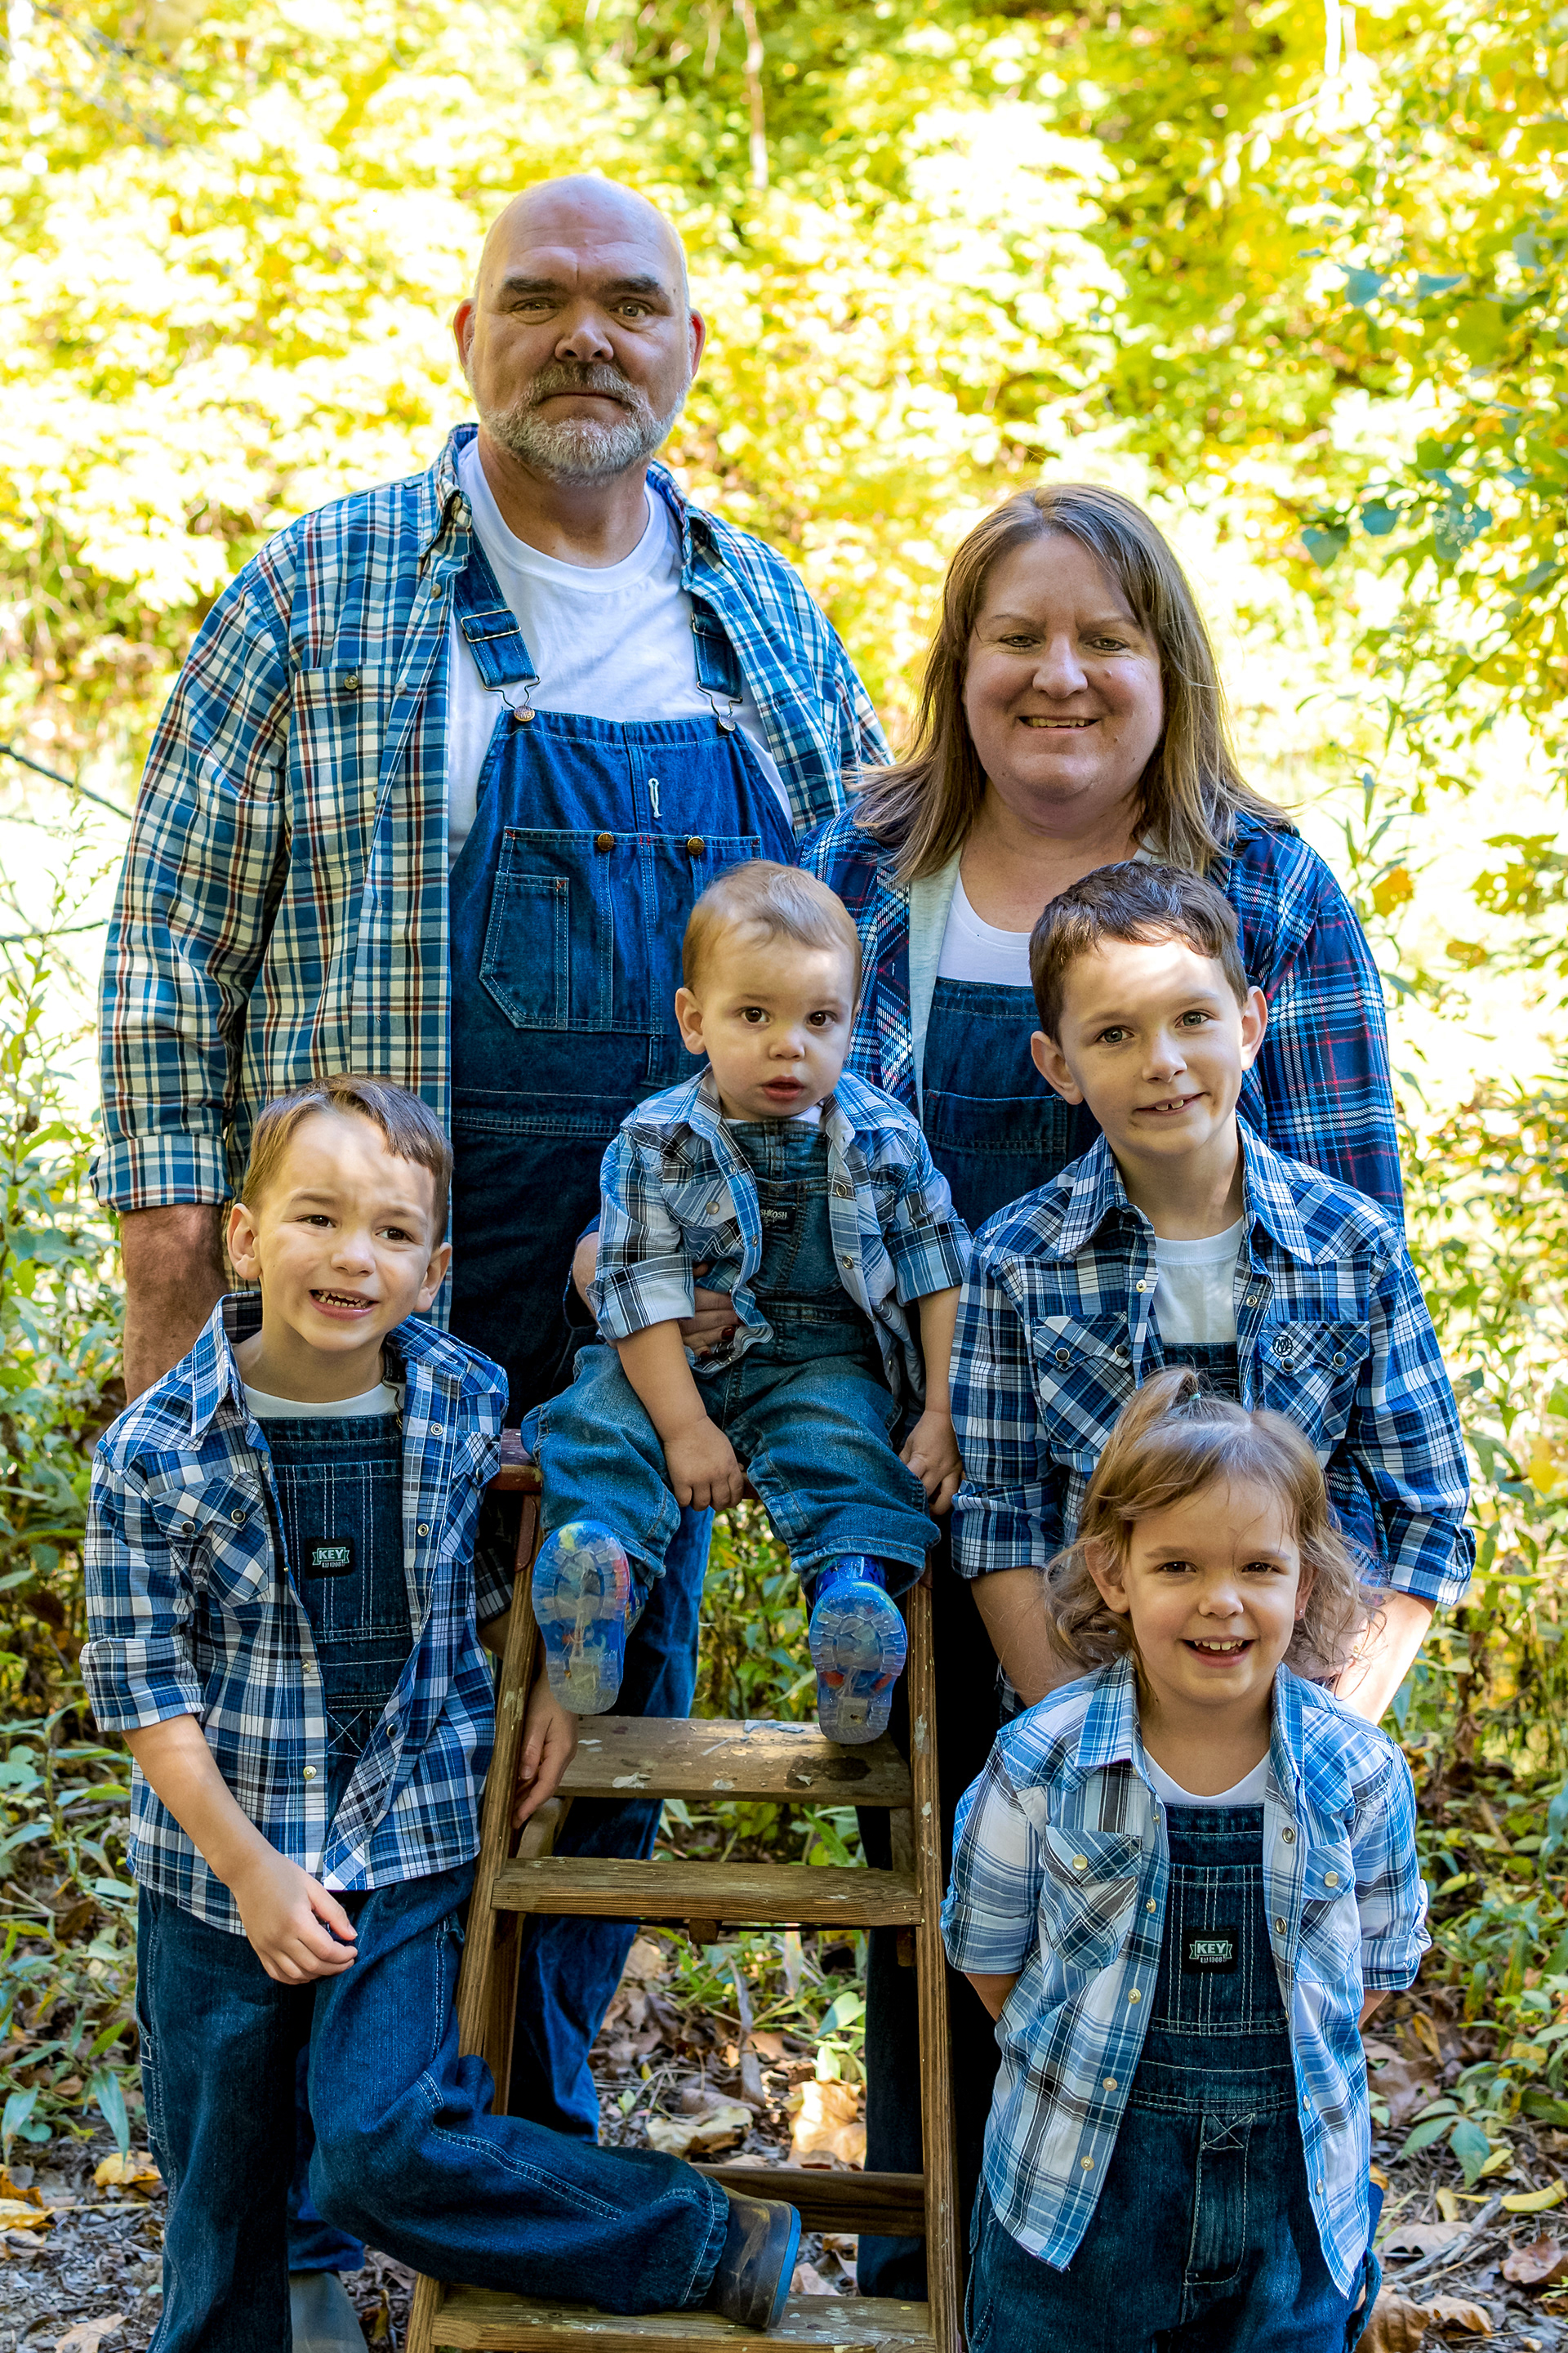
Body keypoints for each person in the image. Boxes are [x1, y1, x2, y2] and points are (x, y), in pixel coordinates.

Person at [95, 174, 884, 2329]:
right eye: (538, 299)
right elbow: (168, 958)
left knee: (595, 1756)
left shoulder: (766, 619)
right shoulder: (323, 590)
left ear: (690, 344)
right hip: (363, 1316)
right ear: (467, 336)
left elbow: (856, 971)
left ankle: (502, 2169)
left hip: (658, 1336)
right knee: (313, 1742)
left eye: (631, 303)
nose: (585, 337)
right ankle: (302, 2229)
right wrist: (178, 1324)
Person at [797, 480, 1415, 2297]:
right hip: (960, 1482)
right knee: (966, 1896)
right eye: (1017, 637)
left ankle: (1219, 2283)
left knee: (1223, 1944)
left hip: (1233, 1554)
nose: (1058, 674)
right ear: (957, 664)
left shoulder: (1268, 882)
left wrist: (1304, 1657)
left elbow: (1349, 1240)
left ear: (1168, 666)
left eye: (1105, 638)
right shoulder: (867, 868)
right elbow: (780, 1146)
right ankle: (952, 2297)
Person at [81, 1075, 801, 2351]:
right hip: (216, 1862)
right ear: (244, 1238)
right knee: (221, 2198)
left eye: (394, 1231)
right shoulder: (156, 1453)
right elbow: (148, 1694)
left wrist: (559, 1690)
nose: (353, 1256)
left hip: (405, 1833)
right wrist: (248, 1869)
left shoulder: (462, 1400)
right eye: (316, 1217)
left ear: (435, 1269)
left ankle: (694, 2235)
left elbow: (537, 1550)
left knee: (376, 2143)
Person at [943, 1371, 1428, 2350]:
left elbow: (1375, 1970)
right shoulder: (1041, 1761)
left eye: (1259, 1566)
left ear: (1304, 1583)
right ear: (1115, 1574)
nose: (1222, 1601)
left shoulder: (1357, 1772)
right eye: (1177, 1566)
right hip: (1078, 2211)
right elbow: (990, 1960)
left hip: (1291, 2218)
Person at [949, 862, 1474, 1696]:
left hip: (1308, 1700)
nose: (1163, 1061)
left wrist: (1338, 1727)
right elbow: (1001, 1522)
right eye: (1114, 1034)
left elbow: (1429, 1513)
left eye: (1193, 1018)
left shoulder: (1353, 1249)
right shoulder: (1015, 1262)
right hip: (1093, 1704)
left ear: (1249, 1025)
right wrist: (1079, 1740)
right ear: (1059, 1065)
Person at [528, 863, 969, 1740]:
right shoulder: (656, 1139)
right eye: (755, 1015)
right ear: (695, 1021)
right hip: (668, 1359)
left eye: (819, 1019)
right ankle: (596, 1579)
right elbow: (635, 1293)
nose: (788, 1046)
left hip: (819, 1360)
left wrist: (941, 1412)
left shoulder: (885, 1137)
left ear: (852, 1021)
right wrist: (685, 1428)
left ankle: (851, 1600)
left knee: (848, 1443)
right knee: (597, 1421)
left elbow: (938, 1272)